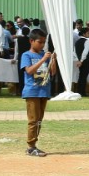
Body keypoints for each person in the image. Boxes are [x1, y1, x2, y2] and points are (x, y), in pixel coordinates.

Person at [21, 28, 57, 157]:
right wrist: (43, 60)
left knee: (39, 120)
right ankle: (31, 147)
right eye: (39, 42)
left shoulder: (45, 54)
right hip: (32, 91)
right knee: (33, 120)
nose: (41, 45)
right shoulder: (27, 55)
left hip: (44, 91)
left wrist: (53, 60)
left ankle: (34, 145)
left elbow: (52, 73)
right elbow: (29, 71)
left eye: (43, 42)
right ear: (31, 41)